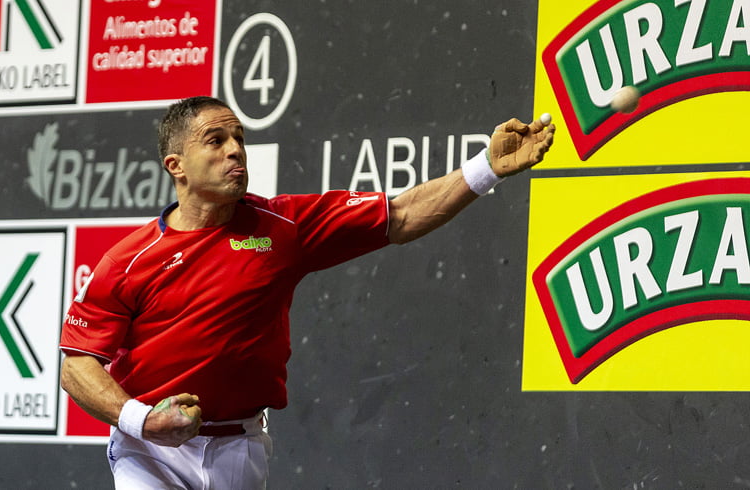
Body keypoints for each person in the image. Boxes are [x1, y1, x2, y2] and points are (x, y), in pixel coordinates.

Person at [59, 95, 555, 489]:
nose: (235, 150)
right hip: (150, 453)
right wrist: (143, 421)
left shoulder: (282, 226)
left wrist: (487, 167)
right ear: (177, 166)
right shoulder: (129, 260)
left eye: (239, 138)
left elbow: (401, 215)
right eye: (215, 140)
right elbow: (77, 364)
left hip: (240, 449)